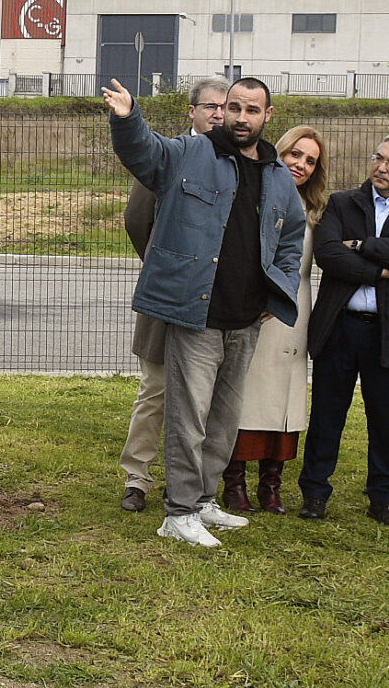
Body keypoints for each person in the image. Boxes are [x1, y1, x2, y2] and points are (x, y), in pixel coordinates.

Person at [104, 74, 307, 548]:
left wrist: (275, 290)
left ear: (267, 116)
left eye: (251, 110)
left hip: (246, 319)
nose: (240, 117)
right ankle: (178, 513)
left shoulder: (278, 176)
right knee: (188, 419)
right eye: (233, 107)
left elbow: (291, 239)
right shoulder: (190, 153)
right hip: (196, 316)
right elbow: (145, 154)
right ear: (223, 110)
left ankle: (203, 501)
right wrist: (128, 119)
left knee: (223, 420)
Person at [300, 132, 389, 523]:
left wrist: (361, 245)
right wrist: (379, 270)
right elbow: (329, 254)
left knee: (387, 418)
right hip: (341, 326)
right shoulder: (343, 202)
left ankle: (384, 497)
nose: (382, 168)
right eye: (379, 158)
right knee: (327, 413)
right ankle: (314, 493)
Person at [114, 94, 231, 509]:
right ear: (192, 111)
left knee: (204, 400)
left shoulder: (236, 161)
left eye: (227, 107)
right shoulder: (169, 155)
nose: (219, 114)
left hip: (214, 305)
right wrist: (169, 267)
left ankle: (189, 484)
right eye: (211, 106)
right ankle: (137, 477)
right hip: (167, 300)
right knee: (156, 391)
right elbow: (137, 219)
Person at [224, 125, 327, 513]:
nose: (301, 164)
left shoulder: (314, 210)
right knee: (246, 391)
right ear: (280, 152)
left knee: (286, 395)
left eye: (310, 160)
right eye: (295, 154)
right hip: (257, 305)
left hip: (295, 309)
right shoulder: (255, 192)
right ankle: (234, 482)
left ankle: (271, 484)